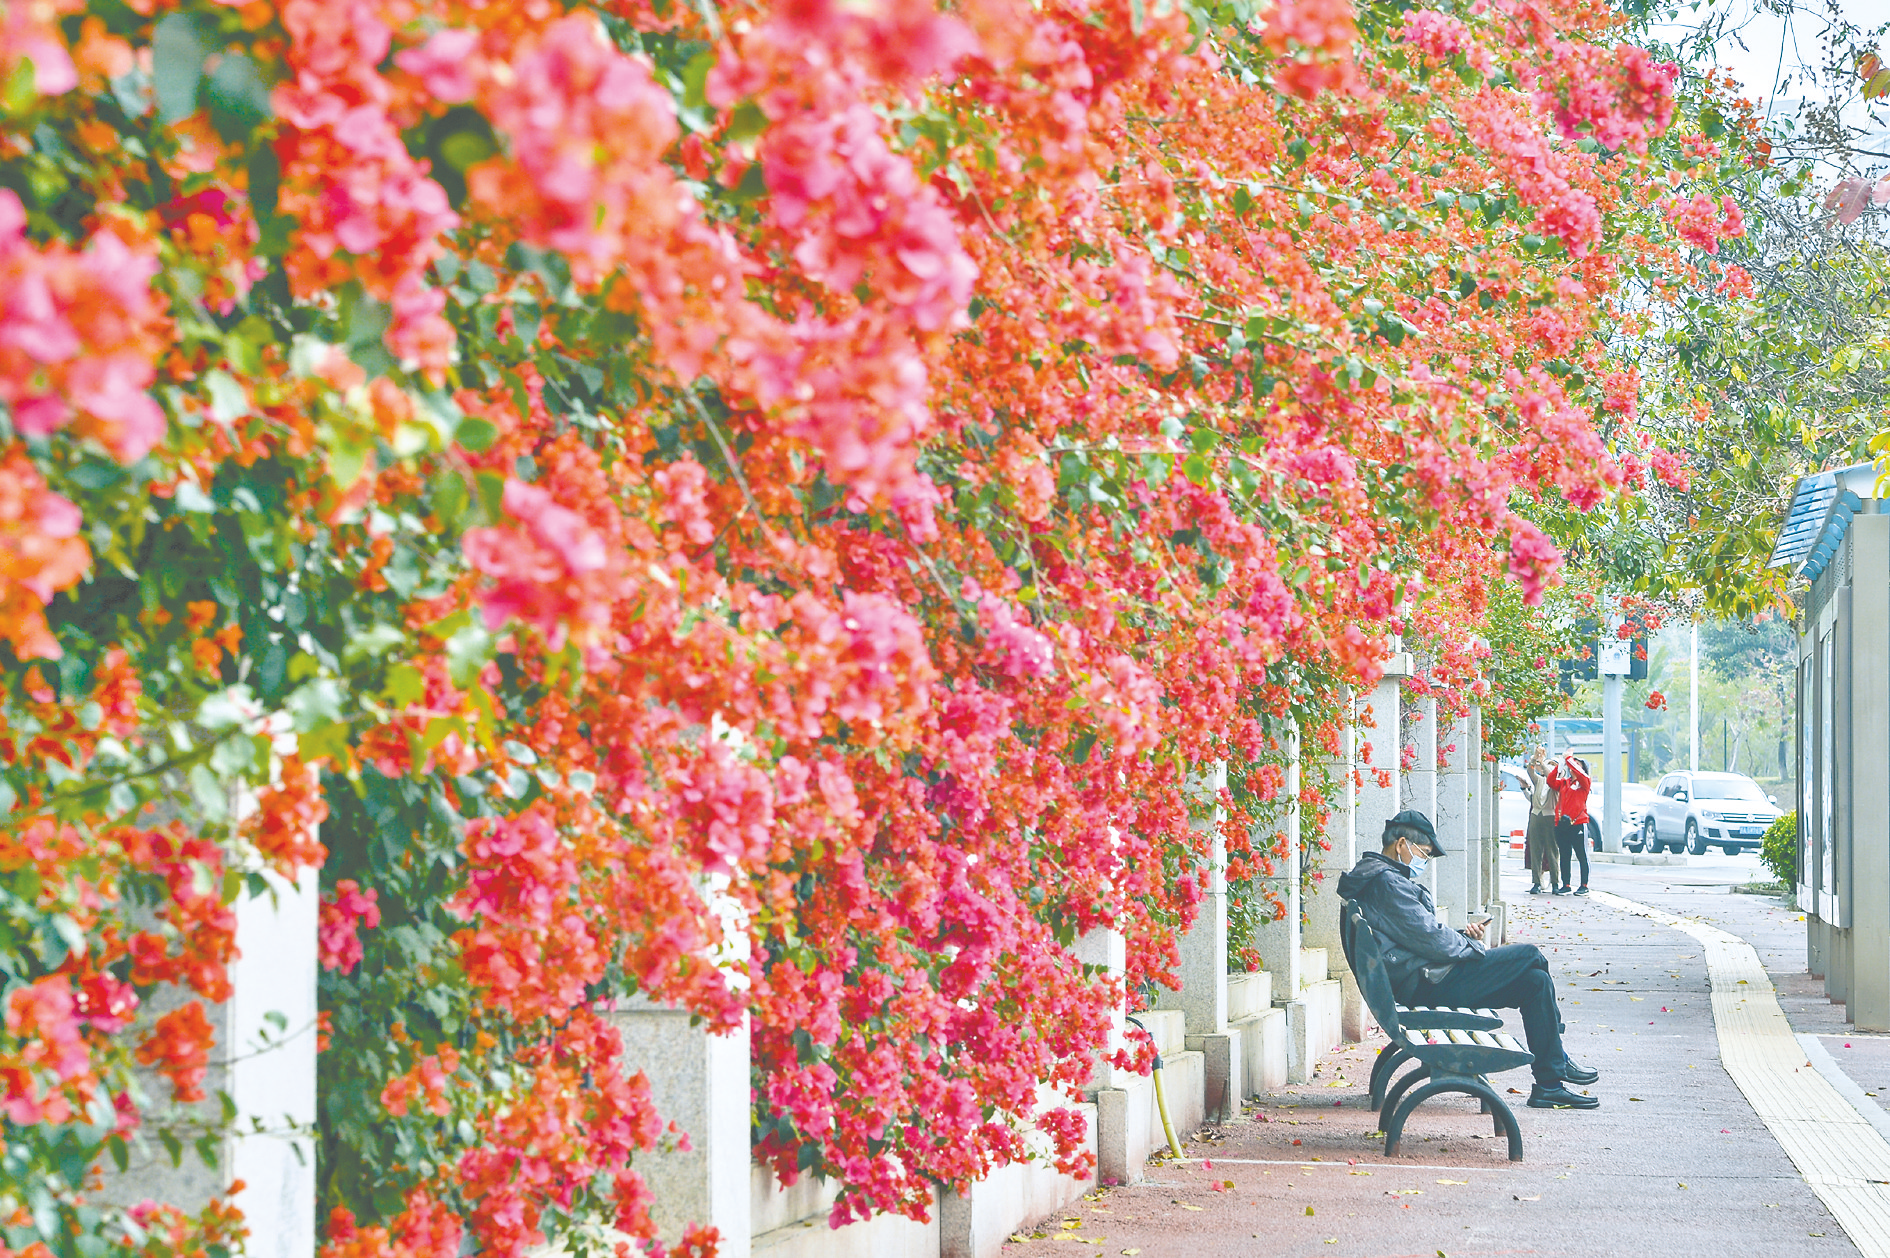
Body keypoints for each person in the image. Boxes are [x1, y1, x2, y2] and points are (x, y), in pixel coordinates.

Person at [1337, 809, 1601, 1110]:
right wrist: (1471, 946)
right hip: (1426, 982)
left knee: (1534, 982)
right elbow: (1431, 939)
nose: (1424, 862)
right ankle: (1558, 1057)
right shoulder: (1386, 883)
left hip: (1422, 977)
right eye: (1423, 853)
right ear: (1400, 845)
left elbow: (1419, 934)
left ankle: (1550, 1083)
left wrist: (1462, 934)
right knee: (1529, 955)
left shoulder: (1378, 877)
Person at [1546, 753, 1592, 895]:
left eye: (1578, 764)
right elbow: (1551, 781)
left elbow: (1580, 773)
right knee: (1565, 854)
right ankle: (1566, 884)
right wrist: (1560, 765)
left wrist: (1568, 759)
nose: (1574, 766)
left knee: (1581, 854)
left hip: (1578, 823)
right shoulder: (1565, 783)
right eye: (1573, 764)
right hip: (1563, 823)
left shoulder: (1584, 782)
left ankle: (1584, 885)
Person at [1523, 748, 1558, 895]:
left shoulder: (1556, 782)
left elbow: (1551, 776)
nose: (1547, 768)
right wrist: (1534, 760)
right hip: (1536, 815)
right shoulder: (1539, 780)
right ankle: (1536, 881)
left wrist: (1543, 763)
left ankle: (1555, 882)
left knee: (1552, 850)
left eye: (1552, 766)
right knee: (1535, 849)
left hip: (1550, 815)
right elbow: (1530, 772)